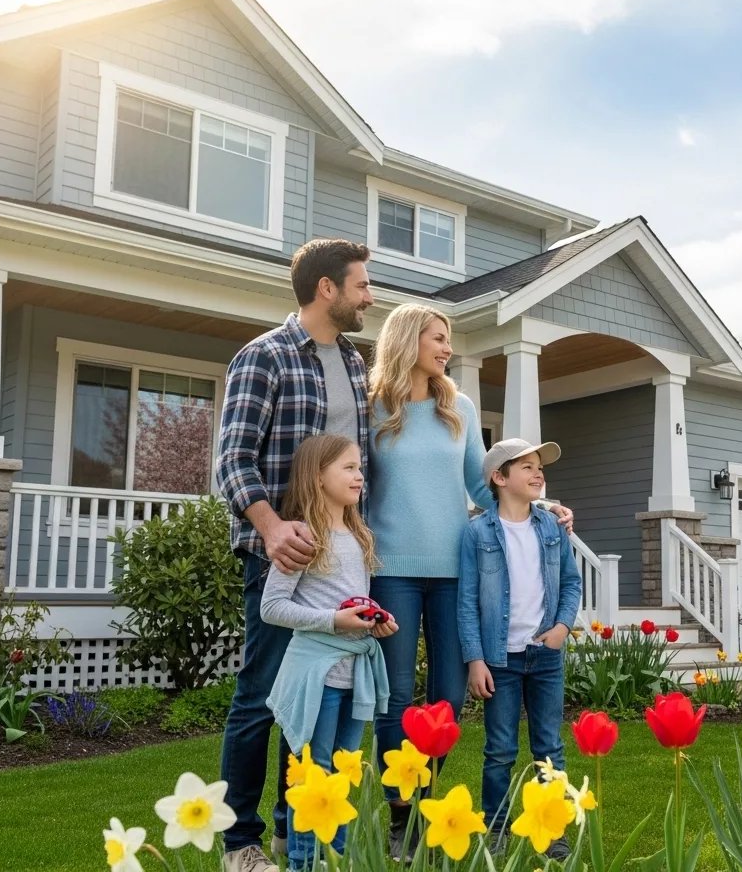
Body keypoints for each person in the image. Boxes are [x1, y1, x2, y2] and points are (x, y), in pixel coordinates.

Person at [364, 304, 573, 862]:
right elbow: (354, 487)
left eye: (448, 340)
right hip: (392, 573)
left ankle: (429, 799)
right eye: (438, 338)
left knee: (448, 701)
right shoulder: (372, 408)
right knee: (396, 698)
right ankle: (402, 810)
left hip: (456, 573)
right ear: (409, 341)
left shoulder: (458, 406)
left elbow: (484, 490)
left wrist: (543, 504)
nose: (447, 348)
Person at [216, 238, 374, 872]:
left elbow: (365, 463)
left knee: (316, 699)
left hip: (339, 558)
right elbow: (232, 461)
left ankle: (294, 828)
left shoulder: (357, 365)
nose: (370, 297)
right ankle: (240, 844)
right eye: (361, 285)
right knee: (261, 697)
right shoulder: (266, 356)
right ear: (327, 289)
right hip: (280, 556)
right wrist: (272, 527)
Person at [262, 434, 398, 871]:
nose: (360, 475)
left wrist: (375, 623)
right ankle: (303, 862)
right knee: (315, 777)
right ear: (318, 476)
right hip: (317, 677)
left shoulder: (359, 535)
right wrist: (333, 621)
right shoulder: (303, 536)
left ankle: (333, 862)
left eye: (360, 467)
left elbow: (352, 602)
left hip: (354, 674)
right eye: (348, 467)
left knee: (342, 776)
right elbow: (272, 608)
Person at [458, 438, 582, 859]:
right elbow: (467, 601)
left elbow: (571, 582)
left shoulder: (552, 526)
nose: (537, 473)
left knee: (550, 747)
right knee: (500, 750)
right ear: (499, 478)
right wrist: (475, 660)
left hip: (546, 655)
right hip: (500, 659)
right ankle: (496, 829)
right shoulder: (477, 533)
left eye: (539, 466)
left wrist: (563, 626)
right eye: (526, 466)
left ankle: (554, 832)